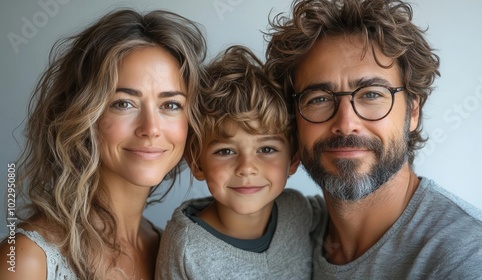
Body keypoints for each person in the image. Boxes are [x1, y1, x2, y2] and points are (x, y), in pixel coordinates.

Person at [265, 0, 482, 278]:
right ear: (294, 119)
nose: (345, 124)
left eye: (372, 94)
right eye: (319, 99)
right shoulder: (294, 230)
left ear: (413, 111)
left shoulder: (470, 258)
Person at [0, 8, 206, 279]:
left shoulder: (172, 248)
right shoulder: (27, 260)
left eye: (170, 104)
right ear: (83, 115)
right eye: (124, 103)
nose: (151, 128)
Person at [155, 45, 323, 280]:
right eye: (225, 151)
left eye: (266, 149)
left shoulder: (298, 210)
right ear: (197, 163)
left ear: (294, 158)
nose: (246, 167)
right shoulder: (186, 249)